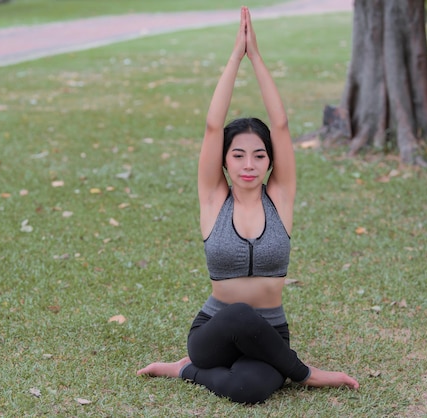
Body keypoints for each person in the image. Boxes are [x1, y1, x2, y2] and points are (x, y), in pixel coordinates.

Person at [137, 6, 359, 404]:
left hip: (270, 335)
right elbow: (211, 126)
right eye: (238, 155)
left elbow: (282, 126)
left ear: (270, 161)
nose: (248, 164)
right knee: (237, 313)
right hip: (213, 334)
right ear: (224, 160)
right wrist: (234, 57)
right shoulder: (213, 201)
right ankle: (304, 374)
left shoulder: (280, 199)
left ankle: (186, 369)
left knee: (248, 390)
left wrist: (256, 56)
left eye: (259, 155)